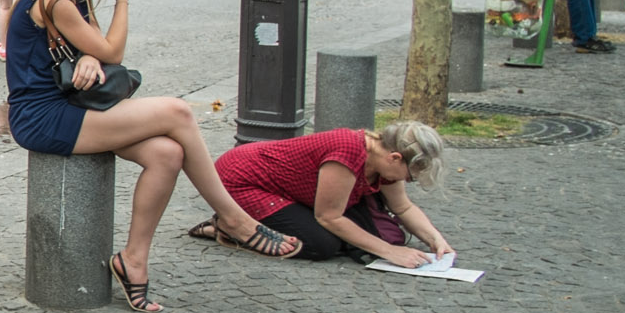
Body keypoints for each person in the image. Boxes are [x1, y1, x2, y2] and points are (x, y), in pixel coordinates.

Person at [3, 0, 302, 312]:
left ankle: (133, 260)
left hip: (71, 107)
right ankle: (234, 219)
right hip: (42, 117)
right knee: (178, 112)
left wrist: (90, 53)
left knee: (167, 154)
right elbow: (115, 53)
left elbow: (97, 47)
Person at [193, 123, 452, 267]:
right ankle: (228, 226)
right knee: (320, 245)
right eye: (409, 175)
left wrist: (435, 240)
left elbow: (403, 207)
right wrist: (390, 252)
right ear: (395, 158)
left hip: (286, 188)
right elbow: (329, 217)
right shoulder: (349, 152)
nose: (407, 181)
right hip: (243, 180)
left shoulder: (385, 163)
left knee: (350, 236)